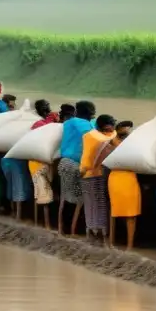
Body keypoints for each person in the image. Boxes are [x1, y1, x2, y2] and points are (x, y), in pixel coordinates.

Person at [58, 101, 95, 236]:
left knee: (65, 198)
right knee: (78, 200)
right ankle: (72, 231)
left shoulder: (68, 123)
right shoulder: (87, 126)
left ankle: (61, 230)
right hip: (76, 165)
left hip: (64, 163)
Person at [102, 121, 140, 251]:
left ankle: (111, 242)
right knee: (131, 215)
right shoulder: (131, 145)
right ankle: (129, 247)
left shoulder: (111, 143)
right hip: (128, 179)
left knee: (114, 212)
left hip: (115, 179)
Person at [80, 114, 116, 243]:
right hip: (97, 174)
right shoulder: (105, 140)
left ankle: (91, 231)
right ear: (107, 126)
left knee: (90, 204)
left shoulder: (89, 135)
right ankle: (101, 234)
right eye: (112, 124)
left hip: (85, 174)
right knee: (100, 205)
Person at [28, 101, 59, 229]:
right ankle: (46, 225)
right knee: (45, 195)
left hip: (38, 164)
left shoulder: (38, 124)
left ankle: (42, 222)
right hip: (46, 163)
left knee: (41, 194)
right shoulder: (53, 123)